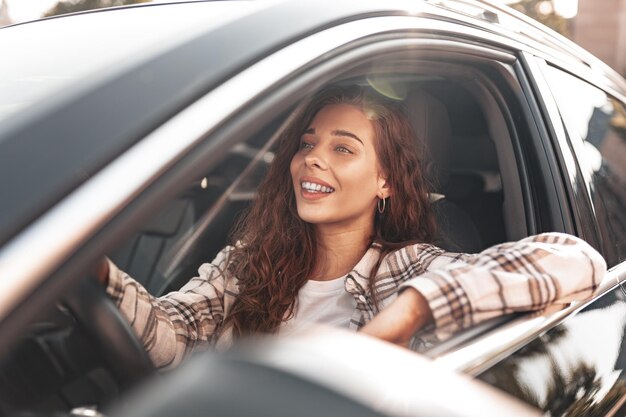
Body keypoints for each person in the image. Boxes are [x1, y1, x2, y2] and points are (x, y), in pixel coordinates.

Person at [99, 85, 606, 369]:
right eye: (306, 144)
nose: (312, 160)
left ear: (385, 181)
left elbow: (575, 258)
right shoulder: (246, 262)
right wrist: (98, 275)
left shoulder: (406, 266)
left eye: (342, 148)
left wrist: (408, 313)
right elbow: (169, 336)